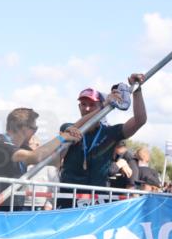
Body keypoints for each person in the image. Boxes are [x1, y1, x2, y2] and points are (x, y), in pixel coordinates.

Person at [58, 76, 147, 206]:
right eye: (83, 104)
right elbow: (62, 143)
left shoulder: (110, 133)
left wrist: (137, 89)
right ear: (79, 107)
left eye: (92, 104)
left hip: (97, 202)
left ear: (101, 105)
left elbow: (140, 120)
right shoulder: (69, 128)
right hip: (68, 199)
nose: (87, 108)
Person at [0, 108, 82, 210]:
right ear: (24, 129)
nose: (35, 132)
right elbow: (36, 157)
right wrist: (62, 137)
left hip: (11, 211)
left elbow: (54, 160)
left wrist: (69, 133)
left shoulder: (21, 148)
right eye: (34, 128)